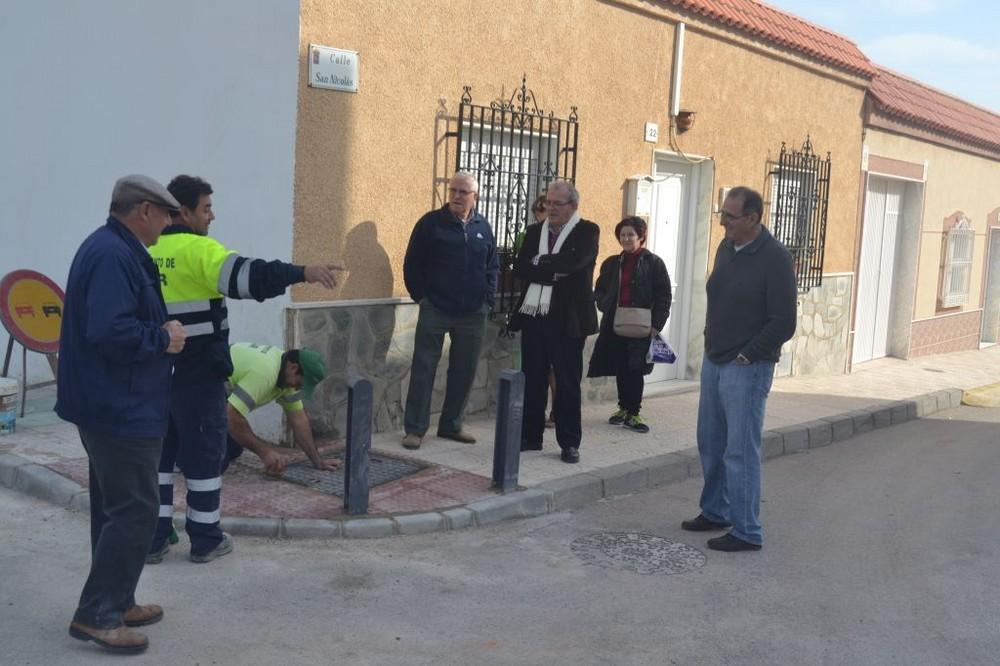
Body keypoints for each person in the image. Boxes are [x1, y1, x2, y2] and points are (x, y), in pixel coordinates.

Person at [146, 175, 341, 565]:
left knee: (159, 459)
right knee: (203, 456)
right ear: (183, 211)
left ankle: (155, 538)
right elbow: (250, 277)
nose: (212, 216)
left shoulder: (144, 252)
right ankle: (205, 539)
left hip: (154, 374)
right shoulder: (199, 251)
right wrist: (301, 271)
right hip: (197, 372)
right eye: (206, 208)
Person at [56, 175, 187, 654]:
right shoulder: (113, 254)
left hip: (109, 402)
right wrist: (163, 338)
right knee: (135, 508)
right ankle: (98, 615)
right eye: (167, 214)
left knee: (114, 508)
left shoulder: (113, 247)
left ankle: (119, 599)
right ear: (144, 211)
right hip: (119, 406)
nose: (171, 222)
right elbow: (111, 332)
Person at [683, 186, 797, 552]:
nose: (722, 223)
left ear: (752, 218)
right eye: (722, 214)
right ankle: (716, 510)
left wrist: (748, 355)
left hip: (746, 367)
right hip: (715, 359)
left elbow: (784, 322)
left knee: (740, 450)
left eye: (730, 217)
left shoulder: (776, 257)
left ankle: (747, 530)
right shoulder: (726, 248)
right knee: (711, 442)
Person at [400, 171, 498, 450]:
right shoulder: (431, 224)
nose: (455, 196)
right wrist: (422, 298)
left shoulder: (483, 226)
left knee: (464, 370)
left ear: (474, 197)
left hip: (473, 312)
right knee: (424, 367)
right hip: (436, 308)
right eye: (453, 190)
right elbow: (412, 264)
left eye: (462, 192)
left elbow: (492, 267)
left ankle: (451, 425)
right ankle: (415, 430)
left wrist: (487, 300)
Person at [514, 180, 599, 463]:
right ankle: (530, 437)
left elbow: (575, 264)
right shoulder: (534, 231)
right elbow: (521, 267)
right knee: (533, 378)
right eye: (548, 203)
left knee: (566, 382)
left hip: (568, 319)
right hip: (535, 316)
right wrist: (551, 269)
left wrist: (541, 264)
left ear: (573, 206)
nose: (551, 208)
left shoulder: (587, 231)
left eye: (557, 204)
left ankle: (569, 442)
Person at [587, 216, 672, 433]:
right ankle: (623, 408)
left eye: (630, 234)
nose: (626, 238)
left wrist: (656, 325)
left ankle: (634, 413)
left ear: (640, 236)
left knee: (635, 369)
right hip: (616, 323)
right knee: (620, 366)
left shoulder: (654, 263)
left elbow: (664, 296)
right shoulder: (612, 263)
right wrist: (604, 303)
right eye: (622, 235)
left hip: (642, 326)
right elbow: (600, 289)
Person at [221, 342, 339, 475]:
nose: (297, 388)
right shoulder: (265, 373)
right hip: (203, 380)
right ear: (294, 368)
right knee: (216, 460)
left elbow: (299, 420)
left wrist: (317, 461)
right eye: (300, 383)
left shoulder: (287, 377)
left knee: (234, 448)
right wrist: (265, 452)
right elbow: (232, 417)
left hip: (221, 388)